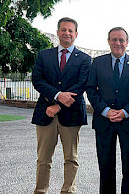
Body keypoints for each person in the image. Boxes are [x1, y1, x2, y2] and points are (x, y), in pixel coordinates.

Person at [31, 17, 91, 194]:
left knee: (71, 158)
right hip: (45, 113)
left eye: (70, 30)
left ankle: (68, 191)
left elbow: (81, 85)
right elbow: (37, 79)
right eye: (63, 30)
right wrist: (57, 95)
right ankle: (40, 191)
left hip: (71, 114)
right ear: (58, 32)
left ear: (76, 34)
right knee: (43, 158)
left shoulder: (85, 59)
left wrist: (59, 105)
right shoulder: (44, 55)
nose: (67, 33)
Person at [86, 27, 129, 194]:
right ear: (108, 41)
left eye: (121, 40)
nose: (118, 43)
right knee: (105, 167)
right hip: (104, 121)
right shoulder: (97, 62)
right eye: (114, 40)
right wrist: (105, 110)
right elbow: (90, 89)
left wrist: (126, 111)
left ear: (127, 42)